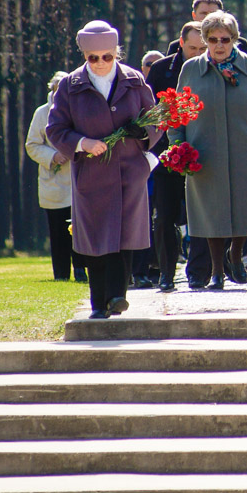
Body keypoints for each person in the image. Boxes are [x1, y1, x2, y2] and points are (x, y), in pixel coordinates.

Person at [46, 21, 161, 318]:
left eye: (107, 56)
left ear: (116, 53)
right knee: (96, 238)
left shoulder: (134, 80)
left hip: (129, 171)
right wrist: (83, 143)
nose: (100, 63)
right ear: (84, 56)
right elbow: (56, 129)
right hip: (92, 173)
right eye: (92, 57)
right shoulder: (71, 85)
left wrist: (143, 132)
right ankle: (99, 303)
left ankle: (118, 296)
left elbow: (156, 119)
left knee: (125, 235)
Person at [171, 11, 247, 290]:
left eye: (226, 39)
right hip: (203, 153)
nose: (219, 45)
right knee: (211, 211)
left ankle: (236, 254)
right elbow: (178, 114)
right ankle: (217, 270)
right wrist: (178, 148)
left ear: (234, 39)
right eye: (213, 39)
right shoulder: (191, 69)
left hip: (246, 152)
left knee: (243, 208)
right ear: (205, 40)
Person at [147, 22, 206, 291]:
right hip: (167, 156)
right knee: (165, 217)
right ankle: (166, 272)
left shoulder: (214, 67)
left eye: (202, 48)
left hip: (203, 153)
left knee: (203, 215)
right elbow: (149, 111)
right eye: (192, 48)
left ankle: (200, 272)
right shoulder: (162, 69)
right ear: (181, 43)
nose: (198, 53)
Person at [25, 72, 85, 282]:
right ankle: (60, 273)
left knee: (79, 228)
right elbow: (32, 144)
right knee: (58, 230)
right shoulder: (42, 113)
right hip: (54, 181)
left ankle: (80, 268)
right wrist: (53, 156)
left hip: (79, 178)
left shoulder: (80, 110)